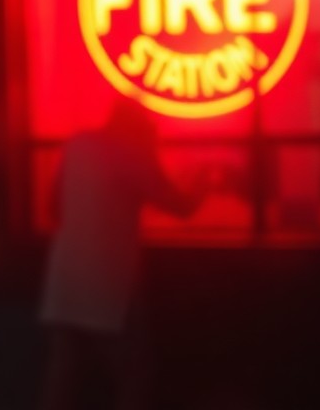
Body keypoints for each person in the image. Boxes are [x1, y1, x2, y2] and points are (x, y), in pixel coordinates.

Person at [39, 98, 209, 410]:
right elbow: (182, 207)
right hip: (110, 283)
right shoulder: (133, 154)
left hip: (64, 279)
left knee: (63, 374)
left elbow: (53, 206)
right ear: (140, 126)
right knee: (134, 373)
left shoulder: (78, 144)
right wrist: (207, 181)